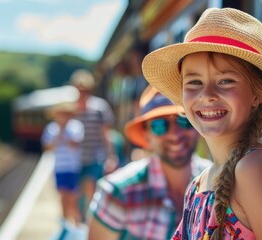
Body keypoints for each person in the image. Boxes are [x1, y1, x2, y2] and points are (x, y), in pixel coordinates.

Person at [142, 7, 262, 239]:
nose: (207, 94)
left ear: (257, 94)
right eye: (194, 82)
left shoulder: (253, 168)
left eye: (226, 80)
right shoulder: (197, 185)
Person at [87, 86, 212, 240]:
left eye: (184, 121)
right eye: (159, 126)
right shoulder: (117, 193)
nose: (174, 135)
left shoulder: (219, 182)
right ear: (146, 135)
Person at [69, 69, 117, 216]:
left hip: (95, 155)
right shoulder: (71, 109)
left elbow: (106, 134)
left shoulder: (99, 107)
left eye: (85, 90)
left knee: (90, 188)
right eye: (79, 90)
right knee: (75, 193)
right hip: (75, 157)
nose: (82, 93)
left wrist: (111, 155)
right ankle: (77, 223)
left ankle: (89, 223)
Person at [41, 101, 84, 227]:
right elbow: (47, 147)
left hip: (73, 167)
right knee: (62, 198)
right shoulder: (51, 128)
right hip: (59, 167)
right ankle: (65, 225)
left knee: (73, 199)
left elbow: (75, 143)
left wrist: (63, 132)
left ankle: (76, 225)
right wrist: (59, 133)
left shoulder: (75, 126)